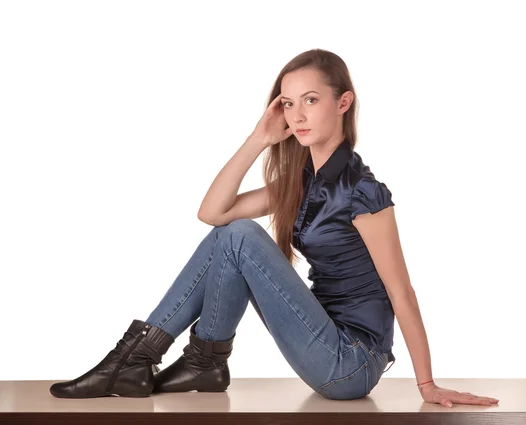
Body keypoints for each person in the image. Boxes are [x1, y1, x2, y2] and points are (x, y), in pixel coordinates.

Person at [50, 48, 499, 406]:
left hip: (351, 364)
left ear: (343, 103)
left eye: (311, 100)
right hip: (324, 341)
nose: (297, 115)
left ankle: (136, 357)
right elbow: (212, 213)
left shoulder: (363, 192)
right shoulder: (301, 183)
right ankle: (201, 361)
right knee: (231, 234)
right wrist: (259, 138)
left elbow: (402, 292)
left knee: (242, 235)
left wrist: (428, 385)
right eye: (288, 103)